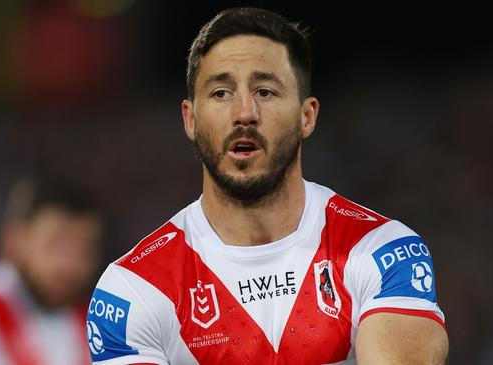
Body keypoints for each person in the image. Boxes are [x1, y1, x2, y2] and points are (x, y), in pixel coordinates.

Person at [87, 7, 448, 365]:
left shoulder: (381, 250)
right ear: (190, 120)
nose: (245, 112)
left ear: (306, 116)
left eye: (265, 91)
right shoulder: (134, 289)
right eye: (220, 93)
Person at [0, 175, 103, 365]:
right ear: (15, 239)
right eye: (55, 245)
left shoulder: (97, 326)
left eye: (84, 249)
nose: (68, 265)